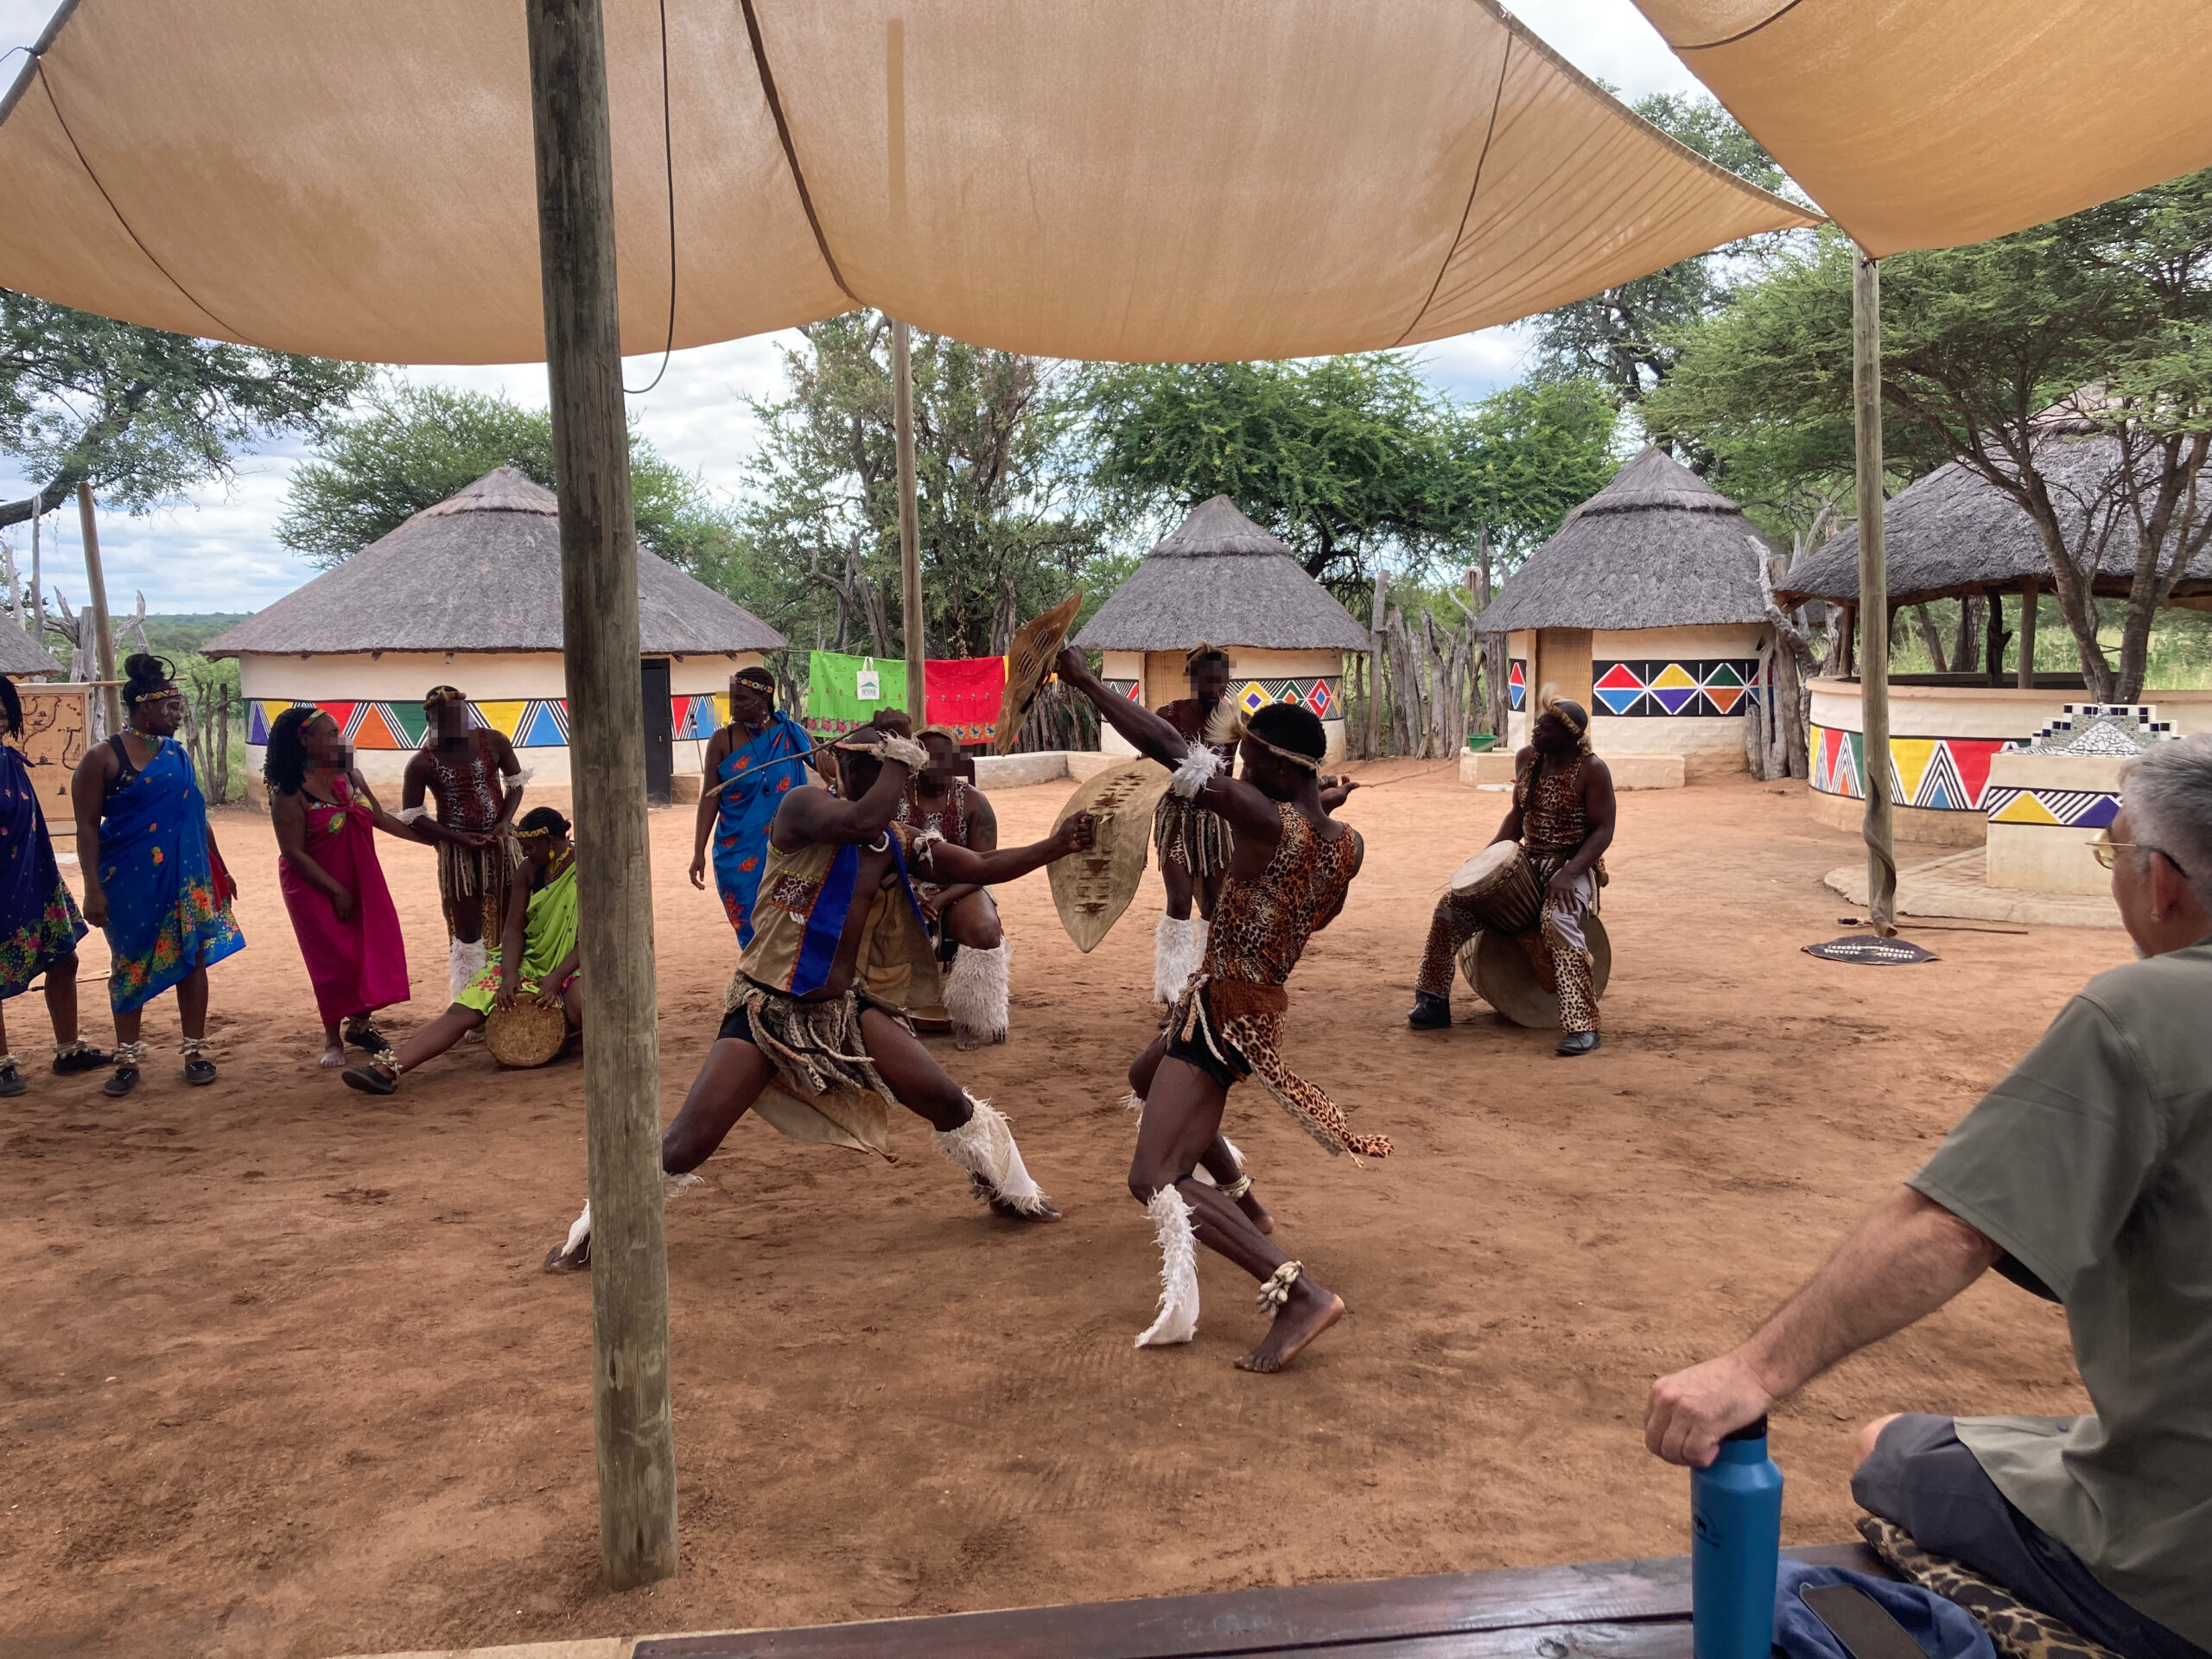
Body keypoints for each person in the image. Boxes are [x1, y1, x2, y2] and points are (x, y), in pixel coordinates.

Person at [1643, 734, 2212, 1659]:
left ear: (2160, 884)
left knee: (1885, 1445)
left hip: (2178, 1569)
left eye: (2111, 852)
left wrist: (1752, 1372)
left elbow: (1951, 1228)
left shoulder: (2144, 1013)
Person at [543, 714, 1094, 1272]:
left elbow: (981, 864)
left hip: (843, 1010)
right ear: (843, 769)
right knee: (687, 1142)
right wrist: (900, 756)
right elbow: (859, 820)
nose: (870, 778)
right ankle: (594, 1229)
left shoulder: (895, 841)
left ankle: (1013, 1192)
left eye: (878, 769)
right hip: (766, 1009)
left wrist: (1057, 845)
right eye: (865, 767)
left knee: (945, 1099)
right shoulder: (801, 809)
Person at [1058, 646, 1377, 1374]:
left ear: (1284, 773)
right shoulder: (1346, 846)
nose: (1238, 767)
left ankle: (1299, 1293)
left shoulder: (1265, 820)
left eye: (1251, 760)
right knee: (1145, 1078)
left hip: (1223, 1010)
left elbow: (1172, 751)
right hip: (1252, 1003)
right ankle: (1243, 1200)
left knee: (1152, 1177)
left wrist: (1085, 682)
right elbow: (1313, 914)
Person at [70, 653, 245, 1096]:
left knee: (192, 957)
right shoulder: (102, 757)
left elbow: (195, 815)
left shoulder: (177, 755)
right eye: (172, 707)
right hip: (128, 882)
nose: (179, 714)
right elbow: (87, 827)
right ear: (145, 707)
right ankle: (128, 1058)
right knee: (129, 962)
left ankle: (195, 1051)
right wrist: (92, 889)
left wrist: (220, 867)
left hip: (186, 878)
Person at [1407, 690, 1615, 1055]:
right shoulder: (1529, 758)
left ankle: (1583, 1025)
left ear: (1569, 736)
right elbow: (1517, 816)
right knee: (1451, 907)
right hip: (1525, 860)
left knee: (1558, 921)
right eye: (1538, 724)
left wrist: (1570, 873)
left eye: (1545, 727)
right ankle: (1432, 1002)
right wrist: (1486, 860)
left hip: (1572, 864)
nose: (1535, 730)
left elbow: (1604, 831)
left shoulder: (1591, 769)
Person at [341, 806, 580, 1094]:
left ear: (550, 841)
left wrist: (557, 978)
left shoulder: (585, 868)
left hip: (575, 963)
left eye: (530, 847)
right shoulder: (528, 871)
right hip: (530, 959)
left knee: (583, 1006)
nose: (525, 853)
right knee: (461, 1011)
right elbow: (514, 929)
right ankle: (386, 1070)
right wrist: (508, 974)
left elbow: (593, 938)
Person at [264, 707, 413, 1067]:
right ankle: (332, 1038)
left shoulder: (350, 776)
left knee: (369, 950)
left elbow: (379, 817)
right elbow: (293, 852)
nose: (340, 737)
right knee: (331, 960)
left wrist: (435, 840)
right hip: (313, 885)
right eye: (331, 733)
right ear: (306, 740)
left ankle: (360, 1026)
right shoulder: (289, 794)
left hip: (360, 877)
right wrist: (335, 891)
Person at [0, 674, 105, 1093]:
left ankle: (69, 1050)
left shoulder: (10, 761)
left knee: (64, 959)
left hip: (35, 879)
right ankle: (1, 1065)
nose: (0, 720)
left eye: (4, 714)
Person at [399, 685, 525, 1000]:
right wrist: (457, 839)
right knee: (468, 932)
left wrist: (503, 823)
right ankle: (470, 1000)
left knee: (512, 919)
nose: (455, 724)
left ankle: (514, 991)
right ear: (431, 722)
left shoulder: (494, 741)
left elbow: (515, 784)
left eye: (460, 716)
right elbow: (413, 815)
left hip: (501, 847)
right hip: (458, 857)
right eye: (444, 719)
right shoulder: (422, 763)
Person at [899, 725, 1012, 1049]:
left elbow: (984, 868)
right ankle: (884, 1011)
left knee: (985, 930)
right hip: (901, 886)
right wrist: (908, 892)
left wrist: (944, 898)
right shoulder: (894, 797)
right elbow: (877, 855)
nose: (935, 765)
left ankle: (971, 1016)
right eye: (927, 757)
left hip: (962, 887)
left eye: (943, 758)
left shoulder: (973, 802)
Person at [690, 664, 818, 946]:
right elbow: (710, 797)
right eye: (730, 698)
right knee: (752, 930)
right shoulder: (722, 740)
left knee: (790, 926)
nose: (732, 705)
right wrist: (698, 851)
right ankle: (756, 967)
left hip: (788, 853)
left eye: (741, 699)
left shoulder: (791, 734)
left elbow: (830, 768)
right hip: (737, 855)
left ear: (763, 700)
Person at [1150, 645, 1239, 1003]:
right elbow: (1148, 769)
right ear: (1192, 678)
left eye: (1222, 679)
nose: (1216, 687)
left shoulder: (1234, 721)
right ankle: (1173, 992)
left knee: (1214, 907)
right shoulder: (1167, 715)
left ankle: (1206, 986)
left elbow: (1235, 776)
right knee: (1178, 901)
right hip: (1175, 819)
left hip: (1216, 824)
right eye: (1208, 678)